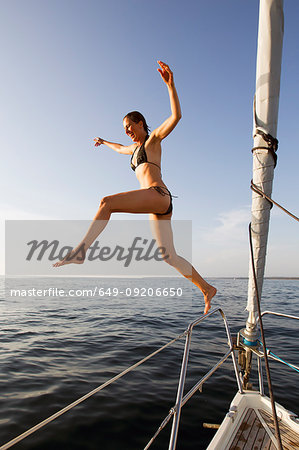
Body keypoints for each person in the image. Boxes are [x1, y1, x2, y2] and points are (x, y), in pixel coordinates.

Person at [53, 60, 216, 314]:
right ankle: (206, 288)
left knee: (106, 202)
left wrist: (171, 86)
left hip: (158, 195)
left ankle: (80, 251)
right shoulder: (133, 149)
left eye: (129, 126)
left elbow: (176, 116)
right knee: (168, 256)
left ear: (140, 123)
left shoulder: (153, 140)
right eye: (124, 128)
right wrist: (104, 141)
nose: (127, 131)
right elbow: (119, 147)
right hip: (158, 205)